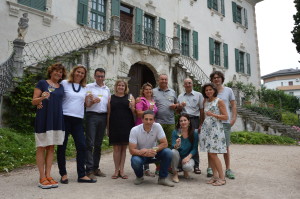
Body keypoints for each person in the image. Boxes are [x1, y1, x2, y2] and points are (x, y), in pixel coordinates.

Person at [57, 64, 96, 184]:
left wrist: (92, 101)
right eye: (78, 72)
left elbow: (86, 105)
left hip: (78, 120)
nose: (80, 74)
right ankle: (63, 174)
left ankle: (81, 175)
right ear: (73, 72)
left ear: (84, 76)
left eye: (82, 73)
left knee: (82, 146)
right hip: (64, 118)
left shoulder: (84, 88)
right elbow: (57, 97)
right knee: (62, 146)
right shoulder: (64, 83)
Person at [32, 63, 66, 189]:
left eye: (61, 72)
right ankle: (41, 178)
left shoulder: (61, 87)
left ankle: (48, 175)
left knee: (51, 147)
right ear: (51, 72)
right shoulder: (42, 83)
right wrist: (41, 98)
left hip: (56, 119)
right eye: (56, 71)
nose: (58, 73)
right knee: (41, 146)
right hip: (44, 118)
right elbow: (34, 101)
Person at [129, 110, 174, 187]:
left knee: (168, 152)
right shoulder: (134, 130)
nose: (148, 122)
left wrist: (153, 150)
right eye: (146, 119)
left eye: (151, 119)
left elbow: (165, 143)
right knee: (135, 160)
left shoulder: (157, 126)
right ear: (142, 119)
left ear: (154, 120)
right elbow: (131, 150)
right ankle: (139, 177)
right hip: (141, 154)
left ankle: (162, 178)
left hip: (154, 153)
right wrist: (143, 152)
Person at [206, 71, 237, 179]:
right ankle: (210, 168)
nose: (216, 79)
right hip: (212, 123)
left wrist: (233, 118)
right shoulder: (210, 91)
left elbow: (233, 105)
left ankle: (228, 169)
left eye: (218, 77)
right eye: (214, 78)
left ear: (221, 79)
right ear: (212, 80)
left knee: (226, 147)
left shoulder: (228, 90)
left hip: (224, 122)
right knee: (210, 147)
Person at [199, 83, 228, 186]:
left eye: (210, 89)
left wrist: (213, 115)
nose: (208, 92)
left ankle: (222, 178)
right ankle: (215, 176)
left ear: (214, 90)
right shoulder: (205, 101)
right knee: (210, 153)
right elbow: (204, 116)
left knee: (213, 154)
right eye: (206, 90)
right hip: (207, 130)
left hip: (216, 130)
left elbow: (226, 117)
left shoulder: (219, 101)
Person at [85, 68, 110, 180]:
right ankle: (89, 169)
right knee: (90, 143)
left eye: (102, 76)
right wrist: (91, 102)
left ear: (104, 77)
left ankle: (96, 167)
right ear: (94, 76)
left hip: (103, 117)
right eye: (98, 76)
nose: (100, 78)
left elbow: (108, 105)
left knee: (98, 144)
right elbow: (86, 104)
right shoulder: (89, 87)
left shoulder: (107, 89)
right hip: (92, 116)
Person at [108, 79, 135, 179]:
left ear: (125, 87)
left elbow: (134, 112)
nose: (121, 87)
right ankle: (116, 170)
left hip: (126, 125)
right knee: (116, 148)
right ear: (116, 87)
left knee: (123, 148)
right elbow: (109, 113)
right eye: (119, 85)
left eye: (123, 85)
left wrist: (132, 107)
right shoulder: (111, 98)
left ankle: (122, 170)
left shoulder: (130, 97)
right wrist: (107, 127)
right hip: (114, 124)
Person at [177, 78, 204, 175]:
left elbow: (201, 110)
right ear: (183, 85)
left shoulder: (198, 95)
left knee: (194, 143)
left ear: (192, 84)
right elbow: (178, 111)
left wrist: (201, 123)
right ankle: (180, 165)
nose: (188, 85)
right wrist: (180, 106)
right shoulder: (180, 96)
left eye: (189, 83)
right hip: (183, 120)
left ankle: (196, 165)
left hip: (194, 120)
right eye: (186, 83)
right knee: (182, 141)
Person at [135, 82, 158, 177]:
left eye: (150, 89)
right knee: (142, 146)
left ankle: (148, 168)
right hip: (142, 125)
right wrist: (148, 109)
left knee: (151, 145)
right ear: (143, 91)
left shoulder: (153, 100)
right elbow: (138, 113)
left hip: (151, 126)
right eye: (146, 89)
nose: (148, 91)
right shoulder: (141, 100)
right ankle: (145, 168)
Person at [171, 114, 199, 183]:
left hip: (188, 156)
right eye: (181, 121)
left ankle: (185, 170)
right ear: (179, 123)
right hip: (177, 156)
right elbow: (173, 147)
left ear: (189, 121)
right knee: (173, 151)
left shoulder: (194, 133)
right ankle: (175, 174)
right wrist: (177, 145)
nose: (183, 122)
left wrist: (188, 157)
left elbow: (195, 149)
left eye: (185, 120)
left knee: (188, 167)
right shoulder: (176, 132)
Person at [153, 74, 178, 146]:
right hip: (158, 122)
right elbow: (147, 100)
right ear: (158, 81)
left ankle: (168, 157)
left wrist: (175, 106)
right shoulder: (153, 91)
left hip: (170, 122)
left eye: (165, 79)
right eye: (162, 79)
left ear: (167, 81)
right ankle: (158, 157)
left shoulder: (172, 92)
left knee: (170, 142)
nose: (164, 81)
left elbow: (177, 104)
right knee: (158, 142)